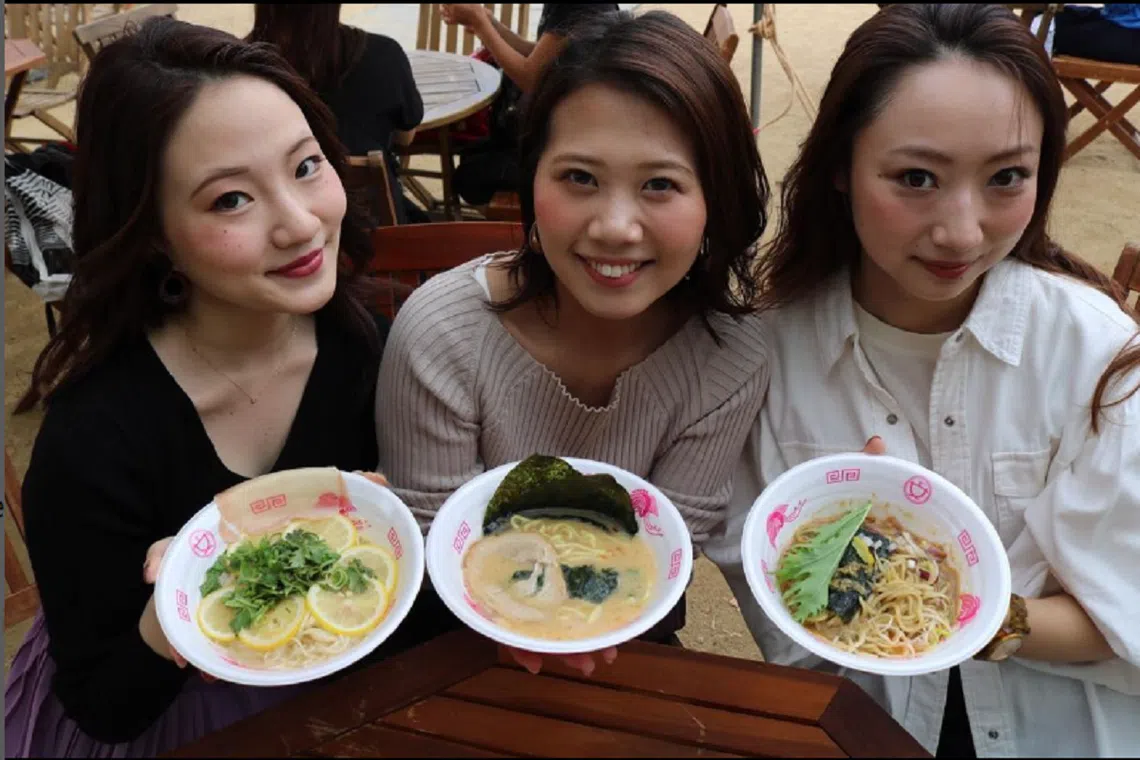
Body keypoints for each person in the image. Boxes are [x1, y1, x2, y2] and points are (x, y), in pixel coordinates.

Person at [2, 18, 448, 757]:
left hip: (339, 683)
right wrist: (181, 605)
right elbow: (103, 705)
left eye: (306, 166)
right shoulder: (93, 442)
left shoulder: (362, 347)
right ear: (152, 234)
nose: (300, 223)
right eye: (231, 200)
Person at [705, 4, 1140, 757]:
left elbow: (1126, 607)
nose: (962, 231)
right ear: (839, 168)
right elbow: (788, 620)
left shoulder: (1094, 353)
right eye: (916, 178)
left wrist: (954, 599)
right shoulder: (763, 359)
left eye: (1007, 177)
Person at [376, 10, 770, 675]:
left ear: (716, 201)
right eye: (580, 177)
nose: (615, 227)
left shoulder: (729, 357)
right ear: (532, 178)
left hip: (625, 644)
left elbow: (668, 544)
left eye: (660, 185)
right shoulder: (442, 333)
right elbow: (437, 539)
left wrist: (577, 622)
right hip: (454, 652)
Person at [247, 4, 428, 223]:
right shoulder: (384, 54)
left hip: (279, 225)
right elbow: (405, 138)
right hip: (376, 224)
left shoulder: (238, 67)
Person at [439, 3, 619, 207]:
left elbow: (531, 79)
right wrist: (492, 25)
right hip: (565, 131)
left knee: (470, 176)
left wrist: (481, 24)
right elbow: (540, 55)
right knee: (473, 154)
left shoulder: (575, 8)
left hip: (566, 146)